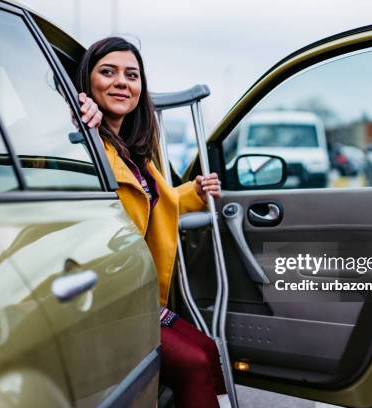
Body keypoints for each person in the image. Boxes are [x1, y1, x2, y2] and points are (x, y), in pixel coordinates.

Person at [76, 37, 229, 408]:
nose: (121, 82)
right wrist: (75, 117)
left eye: (132, 75)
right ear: (87, 83)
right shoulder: (83, 138)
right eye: (107, 72)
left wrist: (194, 190)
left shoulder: (130, 152)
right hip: (107, 301)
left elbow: (153, 201)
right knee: (193, 363)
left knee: (208, 349)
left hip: (138, 295)